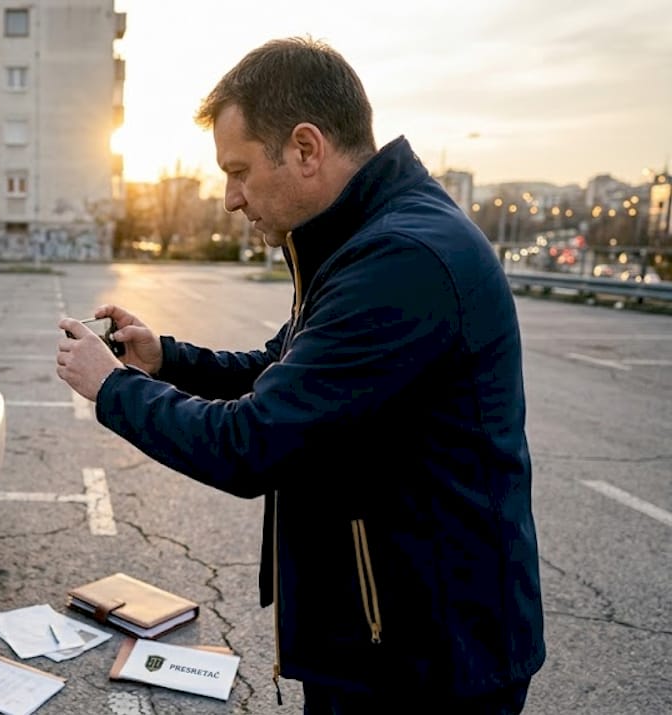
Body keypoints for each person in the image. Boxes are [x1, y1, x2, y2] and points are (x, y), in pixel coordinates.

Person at [55, 37, 545, 713]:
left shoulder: (401, 261)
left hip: (426, 661)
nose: (230, 197)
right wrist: (165, 357)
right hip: (388, 635)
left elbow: (252, 441)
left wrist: (112, 388)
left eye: (239, 170)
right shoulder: (361, 240)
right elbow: (277, 370)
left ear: (306, 149)